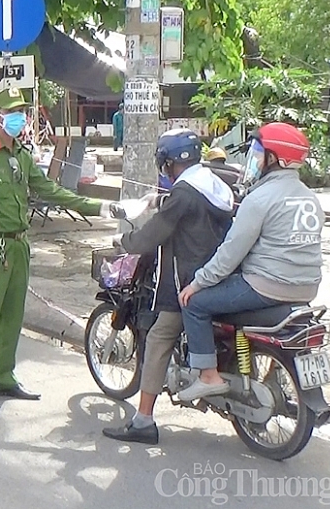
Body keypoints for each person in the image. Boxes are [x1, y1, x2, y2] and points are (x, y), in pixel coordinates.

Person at [0, 86, 119, 412]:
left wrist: (101, 208)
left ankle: (3, 377)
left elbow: (52, 191)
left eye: (23, 112)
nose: (21, 118)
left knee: (13, 317)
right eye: (14, 112)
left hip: (18, 245)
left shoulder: (21, 155)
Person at [101, 129, 235, 444]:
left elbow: (152, 236)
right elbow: (190, 206)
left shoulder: (184, 192)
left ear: (167, 161)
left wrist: (124, 241)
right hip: (222, 274)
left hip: (190, 280)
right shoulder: (215, 182)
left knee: (160, 336)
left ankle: (143, 421)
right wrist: (158, 199)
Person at [176, 122, 323, 401]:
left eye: (259, 153)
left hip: (266, 286)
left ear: (273, 159)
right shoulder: (309, 197)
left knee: (194, 304)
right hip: (306, 289)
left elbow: (230, 254)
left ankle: (208, 375)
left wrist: (197, 283)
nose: (253, 160)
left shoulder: (260, 198)